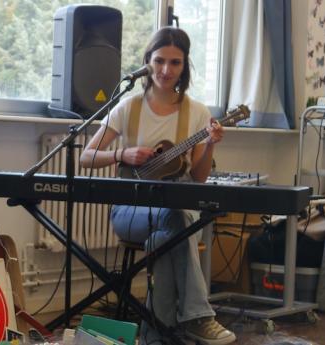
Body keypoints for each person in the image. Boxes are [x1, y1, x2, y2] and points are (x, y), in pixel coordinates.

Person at [79, 27, 236, 345]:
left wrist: (210, 145)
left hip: (176, 208)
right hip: (130, 209)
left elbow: (200, 178)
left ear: (185, 66)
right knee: (176, 221)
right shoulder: (128, 108)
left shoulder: (197, 113)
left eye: (175, 63)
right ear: (147, 62)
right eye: (160, 61)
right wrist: (123, 153)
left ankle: (156, 334)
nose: (166, 70)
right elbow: (86, 157)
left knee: (168, 232)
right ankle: (198, 318)